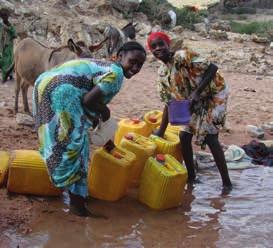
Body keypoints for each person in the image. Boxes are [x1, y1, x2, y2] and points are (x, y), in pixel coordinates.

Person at [33, 41, 146, 217]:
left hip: (44, 83)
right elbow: (88, 101)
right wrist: (105, 112)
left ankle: (74, 193)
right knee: (76, 147)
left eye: (140, 65)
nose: (136, 67)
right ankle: (78, 208)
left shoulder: (104, 64)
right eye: (133, 61)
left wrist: (97, 120)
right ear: (120, 55)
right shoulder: (116, 75)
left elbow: (88, 99)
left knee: (60, 139)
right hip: (62, 91)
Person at [147, 32, 232, 192]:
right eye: (154, 46)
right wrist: (160, 131)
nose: (158, 48)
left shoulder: (182, 56)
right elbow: (169, 103)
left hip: (215, 93)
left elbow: (212, 68)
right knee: (184, 136)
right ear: (150, 51)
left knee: (211, 136)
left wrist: (197, 93)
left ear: (168, 44)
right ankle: (192, 178)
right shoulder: (163, 73)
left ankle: (227, 184)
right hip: (195, 99)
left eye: (161, 44)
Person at [0, 8, 17, 83]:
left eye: (6, 16)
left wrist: (9, 30)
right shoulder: (1, 25)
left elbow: (15, 35)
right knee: (4, 61)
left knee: (9, 61)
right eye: (3, 16)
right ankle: (5, 77)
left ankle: (9, 76)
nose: (5, 18)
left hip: (8, 46)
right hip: (1, 46)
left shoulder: (11, 26)